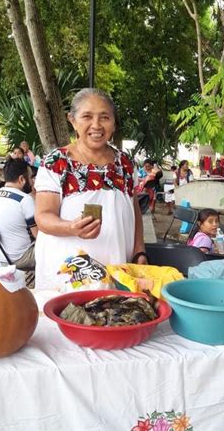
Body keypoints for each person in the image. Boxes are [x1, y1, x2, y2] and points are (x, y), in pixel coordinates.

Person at [34, 88, 146, 290]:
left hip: (118, 265)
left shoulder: (125, 163)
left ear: (113, 122)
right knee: (73, 316)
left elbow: (134, 209)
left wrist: (140, 251)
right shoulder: (57, 162)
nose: (96, 125)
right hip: (70, 273)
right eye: (87, 116)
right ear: (73, 120)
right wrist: (70, 227)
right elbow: (43, 217)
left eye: (105, 117)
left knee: (116, 315)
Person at [0, 158, 37, 269]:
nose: (32, 182)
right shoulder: (25, 200)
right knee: (56, 243)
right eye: (31, 177)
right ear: (22, 179)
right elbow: (38, 235)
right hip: (19, 259)